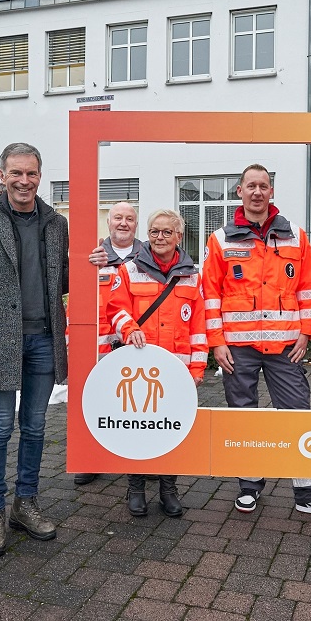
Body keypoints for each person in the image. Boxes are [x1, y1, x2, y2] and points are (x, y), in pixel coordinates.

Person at [202, 164, 311, 521]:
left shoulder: (296, 237)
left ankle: (310, 493)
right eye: (250, 186)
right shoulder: (221, 239)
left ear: (271, 192)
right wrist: (216, 342)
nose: (257, 192)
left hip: (286, 345)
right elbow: (210, 294)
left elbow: (307, 290)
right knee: (244, 417)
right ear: (239, 191)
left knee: (298, 415)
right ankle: (250, 486)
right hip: (237, 347)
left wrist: (307, 332)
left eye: (263, 186)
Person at [0, 143, 69, 557]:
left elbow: (60, 279)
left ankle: (25, 503)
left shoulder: (55, 223)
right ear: (2, 175)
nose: (24, 181)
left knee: (36, 426)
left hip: (43, 339)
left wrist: (94, 260)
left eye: (31, 173)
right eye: (16, 173)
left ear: (40, 176)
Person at [105, 208, 207, 518]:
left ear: (179, 236)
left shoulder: (192, 275)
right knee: (137, 429)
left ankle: (168, 488)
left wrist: (198, 368)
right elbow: (115, 309)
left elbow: (199, 326)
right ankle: (136, 487)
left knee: (171, 431)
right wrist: (130, 328)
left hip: (177, 371)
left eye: (166, 232)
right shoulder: (129, 270)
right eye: (153, 232)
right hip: (138, 371)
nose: (159, 237)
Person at [74, 201, 146, 487]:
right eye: (118, 217)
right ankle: (91, 459)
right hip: (101, 345)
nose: (123, 223)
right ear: (109, 222)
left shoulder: (148, 256)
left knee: (138, 405)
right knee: (97, 403)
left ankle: (140, 461)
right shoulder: (93, 255)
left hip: (136, 343)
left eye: (129, 218)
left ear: (136, 224)